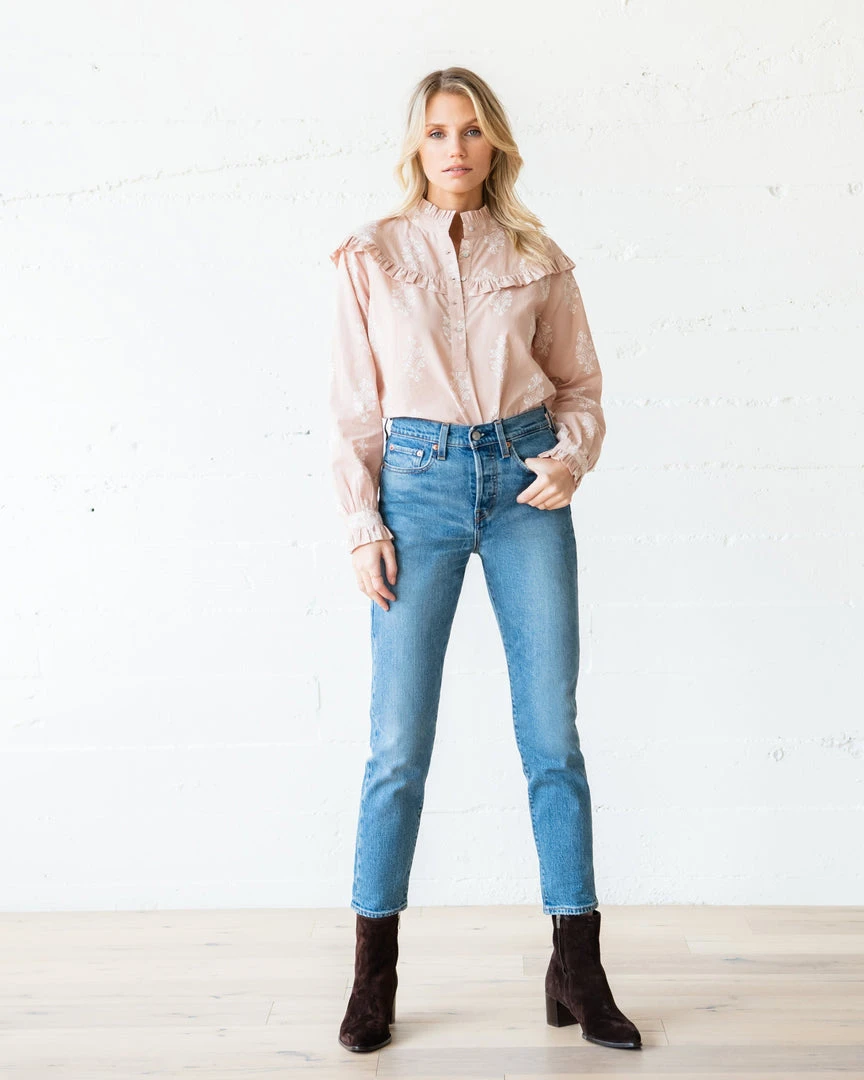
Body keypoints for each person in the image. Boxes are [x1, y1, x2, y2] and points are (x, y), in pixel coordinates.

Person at [328, 67, 641, 1055]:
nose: (454, 148)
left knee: (552, 735)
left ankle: (577, 968)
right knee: (396, 746)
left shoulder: (538, 258)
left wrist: (569, 457)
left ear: (494, 142)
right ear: (415, 146)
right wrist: (363, 523)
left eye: (470, 131)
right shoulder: (371, 256)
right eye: (437, 132)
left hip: (522, 487)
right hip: (414, 488)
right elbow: (353, 406)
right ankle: (373, 977)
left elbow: (580, 385)